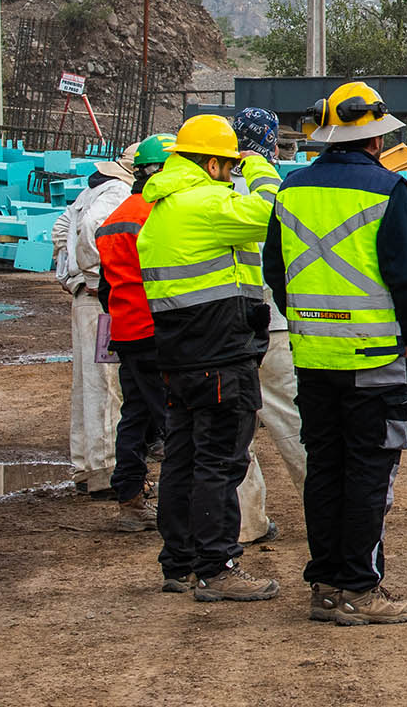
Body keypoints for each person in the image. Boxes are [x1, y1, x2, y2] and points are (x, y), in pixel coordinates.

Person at [266, 81, 407, 624]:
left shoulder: (290, 189)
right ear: (376, 139)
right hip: (373, 359)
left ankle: (327, 584)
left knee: (325, 470)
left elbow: (275, 270)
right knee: (368, 472)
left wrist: (308, 319)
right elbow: (406, 276)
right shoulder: (389, 190)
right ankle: (360, 587)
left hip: (312, 358)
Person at [137, 114, 280, 601]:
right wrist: (259, 165)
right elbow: (275, 212)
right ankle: (216, 566)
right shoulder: (209, 202)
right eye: (231, 164)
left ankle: (178, 563)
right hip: (221, 352)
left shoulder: (161, 208)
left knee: (182, 457)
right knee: (221, 459)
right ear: (215, 163)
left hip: (179, 353)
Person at [229, 107, 305, 547]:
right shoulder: (282, 189)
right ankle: (327, 508)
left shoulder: (216, 188)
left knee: (236, 429)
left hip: (226, 325)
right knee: (295, 422)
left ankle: (245, 523)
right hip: (275, 324)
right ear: (273, 145)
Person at [95, 134, 176, 533]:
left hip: (126, 332)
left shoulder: (115, 219)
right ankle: (183, 512)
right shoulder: (161, 215)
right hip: (160, 330)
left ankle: (128, 500)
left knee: (135, 414)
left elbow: (105, 289)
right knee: (174, 420)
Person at [55, 153, 134, 497]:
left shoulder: (93, 190)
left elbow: (61, 228)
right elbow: (91, 229)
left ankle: (86, 468)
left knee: (86, 384)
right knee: (105, 385)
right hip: (99, 299)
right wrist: (93, 274)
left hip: (83, 298)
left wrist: (70, 269)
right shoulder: (118, 192)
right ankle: (104, 471)